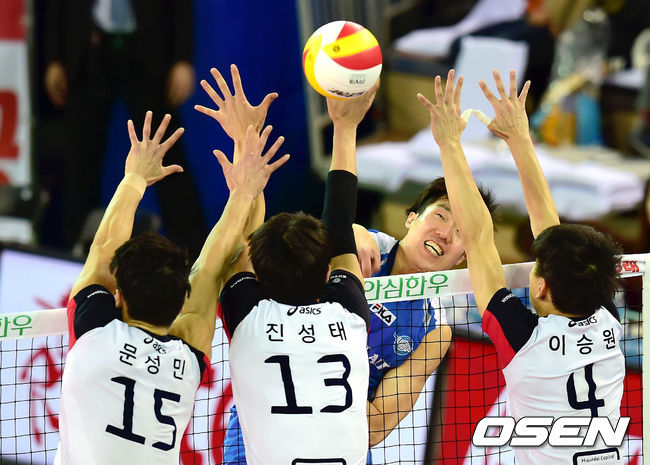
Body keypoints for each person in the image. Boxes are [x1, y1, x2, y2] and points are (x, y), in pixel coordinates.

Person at [55, 110, 287, 464]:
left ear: (118, 296)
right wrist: (244, 181)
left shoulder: (93, 333)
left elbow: (103, 249)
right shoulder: (187, 357)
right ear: (180, 303)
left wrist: (135, 177)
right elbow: (215, 265)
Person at [418, 68, 625, 464]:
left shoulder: (526, 341)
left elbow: (478, 238)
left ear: (542, 287)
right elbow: (551, 237)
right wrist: (518, 138)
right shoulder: (606, 320)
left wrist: (449, 143)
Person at [42, 0, 207, 257]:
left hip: (149, 49)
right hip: (86, 49)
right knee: (79, 164)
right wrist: (53, 57)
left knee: (166, 155)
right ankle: (79, 258)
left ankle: (197, 257)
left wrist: (182, 58)